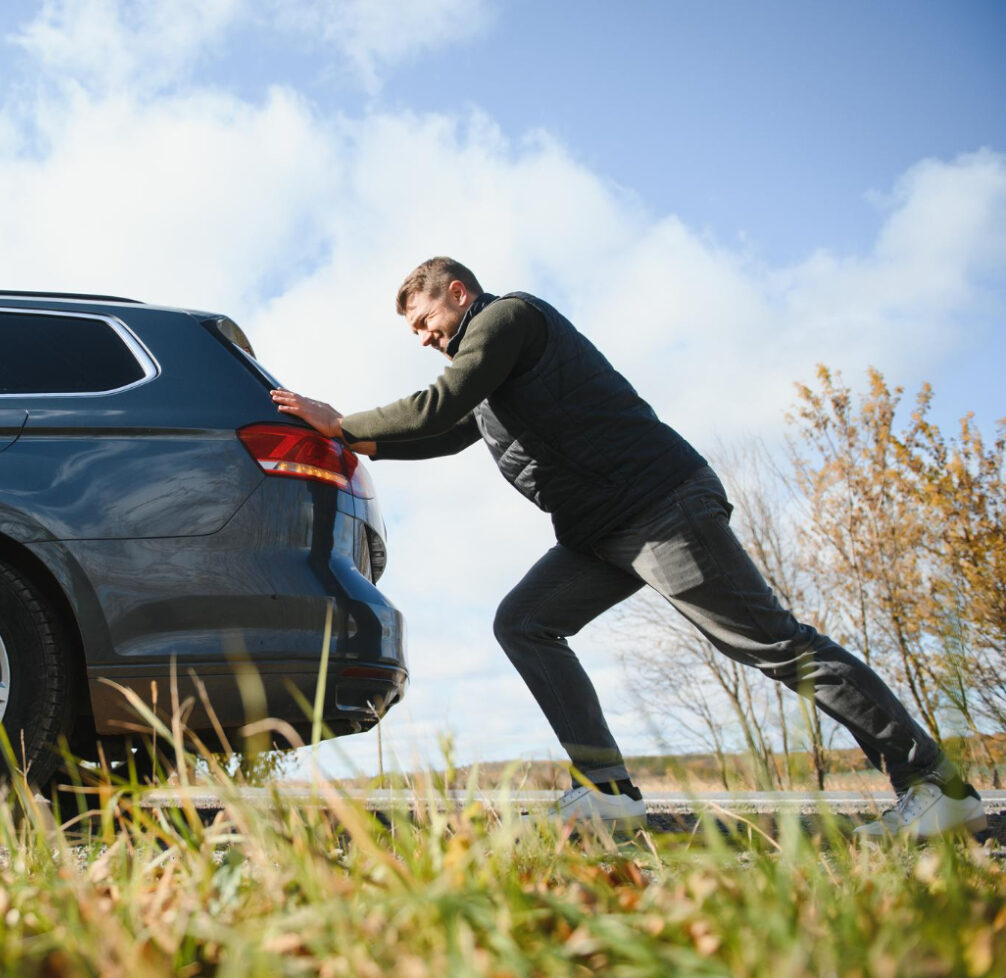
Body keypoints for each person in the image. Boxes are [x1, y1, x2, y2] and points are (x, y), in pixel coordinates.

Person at [271, 256, 986, 838]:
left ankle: (935, 786)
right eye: (416, 333)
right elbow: (449, 431)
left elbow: (441, 404)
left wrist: (341, 421)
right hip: (600, 531)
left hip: (659, 507)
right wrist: (347, 444)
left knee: (772, 645)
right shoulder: (489, 376)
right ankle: (608, 792)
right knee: (525, 621)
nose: (425, 338)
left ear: (458, 294)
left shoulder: (507, 319)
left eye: (426, 322)